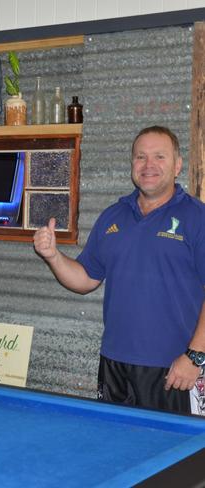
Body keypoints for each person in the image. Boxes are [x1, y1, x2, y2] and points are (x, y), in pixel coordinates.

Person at [34, 125, 205, 414]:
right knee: (117, 450)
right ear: (132, 165)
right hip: (114, 364)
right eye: (140, 157)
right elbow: (86, 279)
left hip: (175, 369)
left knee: (179, 456)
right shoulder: (113, 217)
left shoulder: (197, 217)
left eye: (159, 157)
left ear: (177, 166)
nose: (148, 165)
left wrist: (195, 356)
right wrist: (53, 256)